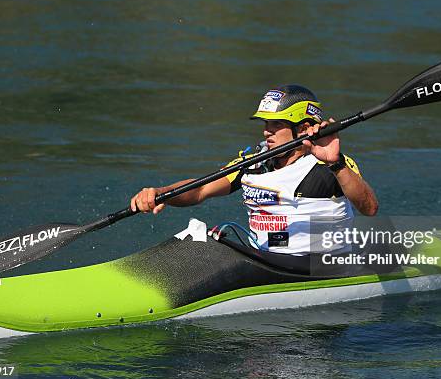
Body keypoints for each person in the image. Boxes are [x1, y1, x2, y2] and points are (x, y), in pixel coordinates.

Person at [131, 84, 378, 255]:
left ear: (302, 129)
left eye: (276, 125)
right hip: (265, 260)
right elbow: (200, 189)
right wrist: (161, 193)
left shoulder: (331, 166)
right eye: (265, 124)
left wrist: (336, 164)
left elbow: (369, 208)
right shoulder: (253, 164)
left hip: (315, 267)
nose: (266, 131)